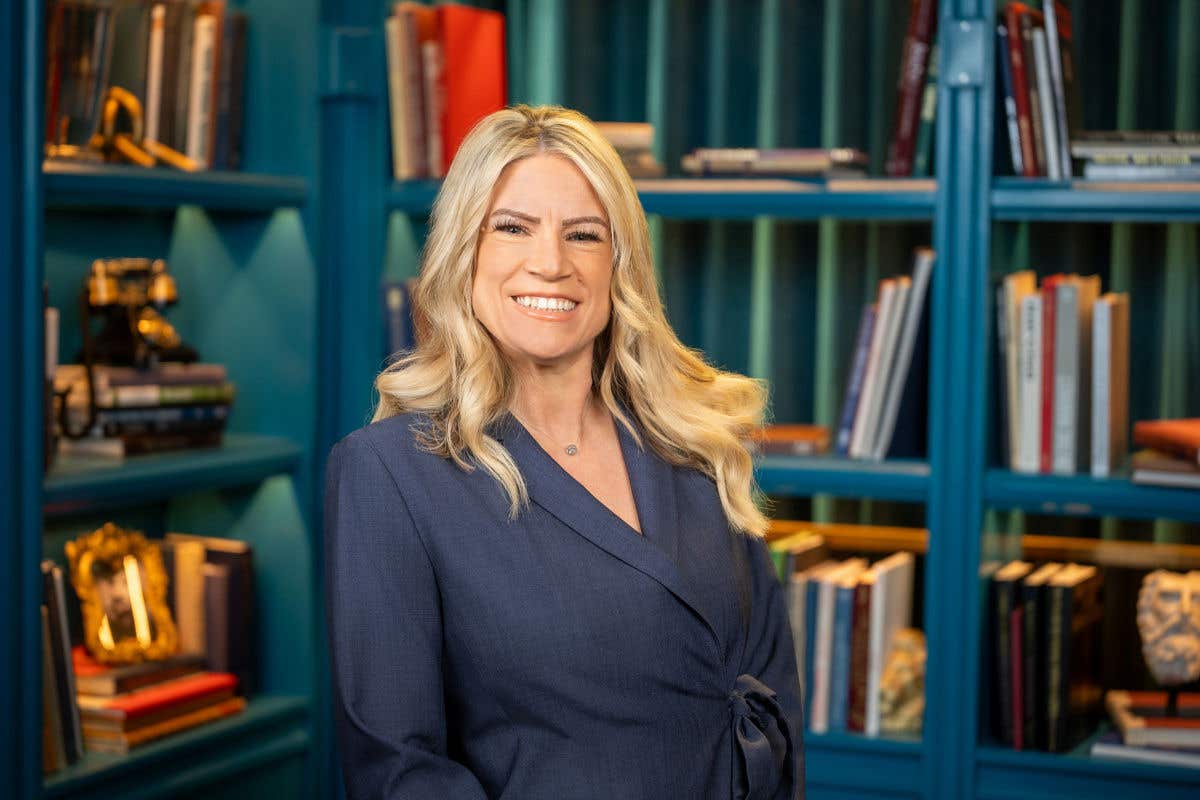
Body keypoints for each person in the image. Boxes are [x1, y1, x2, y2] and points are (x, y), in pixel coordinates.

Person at [324, 104, 804, 799]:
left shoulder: (693, 438)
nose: (551, 264)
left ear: (620, 264)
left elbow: (771, 691)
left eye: (583, 235)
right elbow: (401, 771)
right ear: (466, 251)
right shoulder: (390, 471)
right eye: (512, 228)